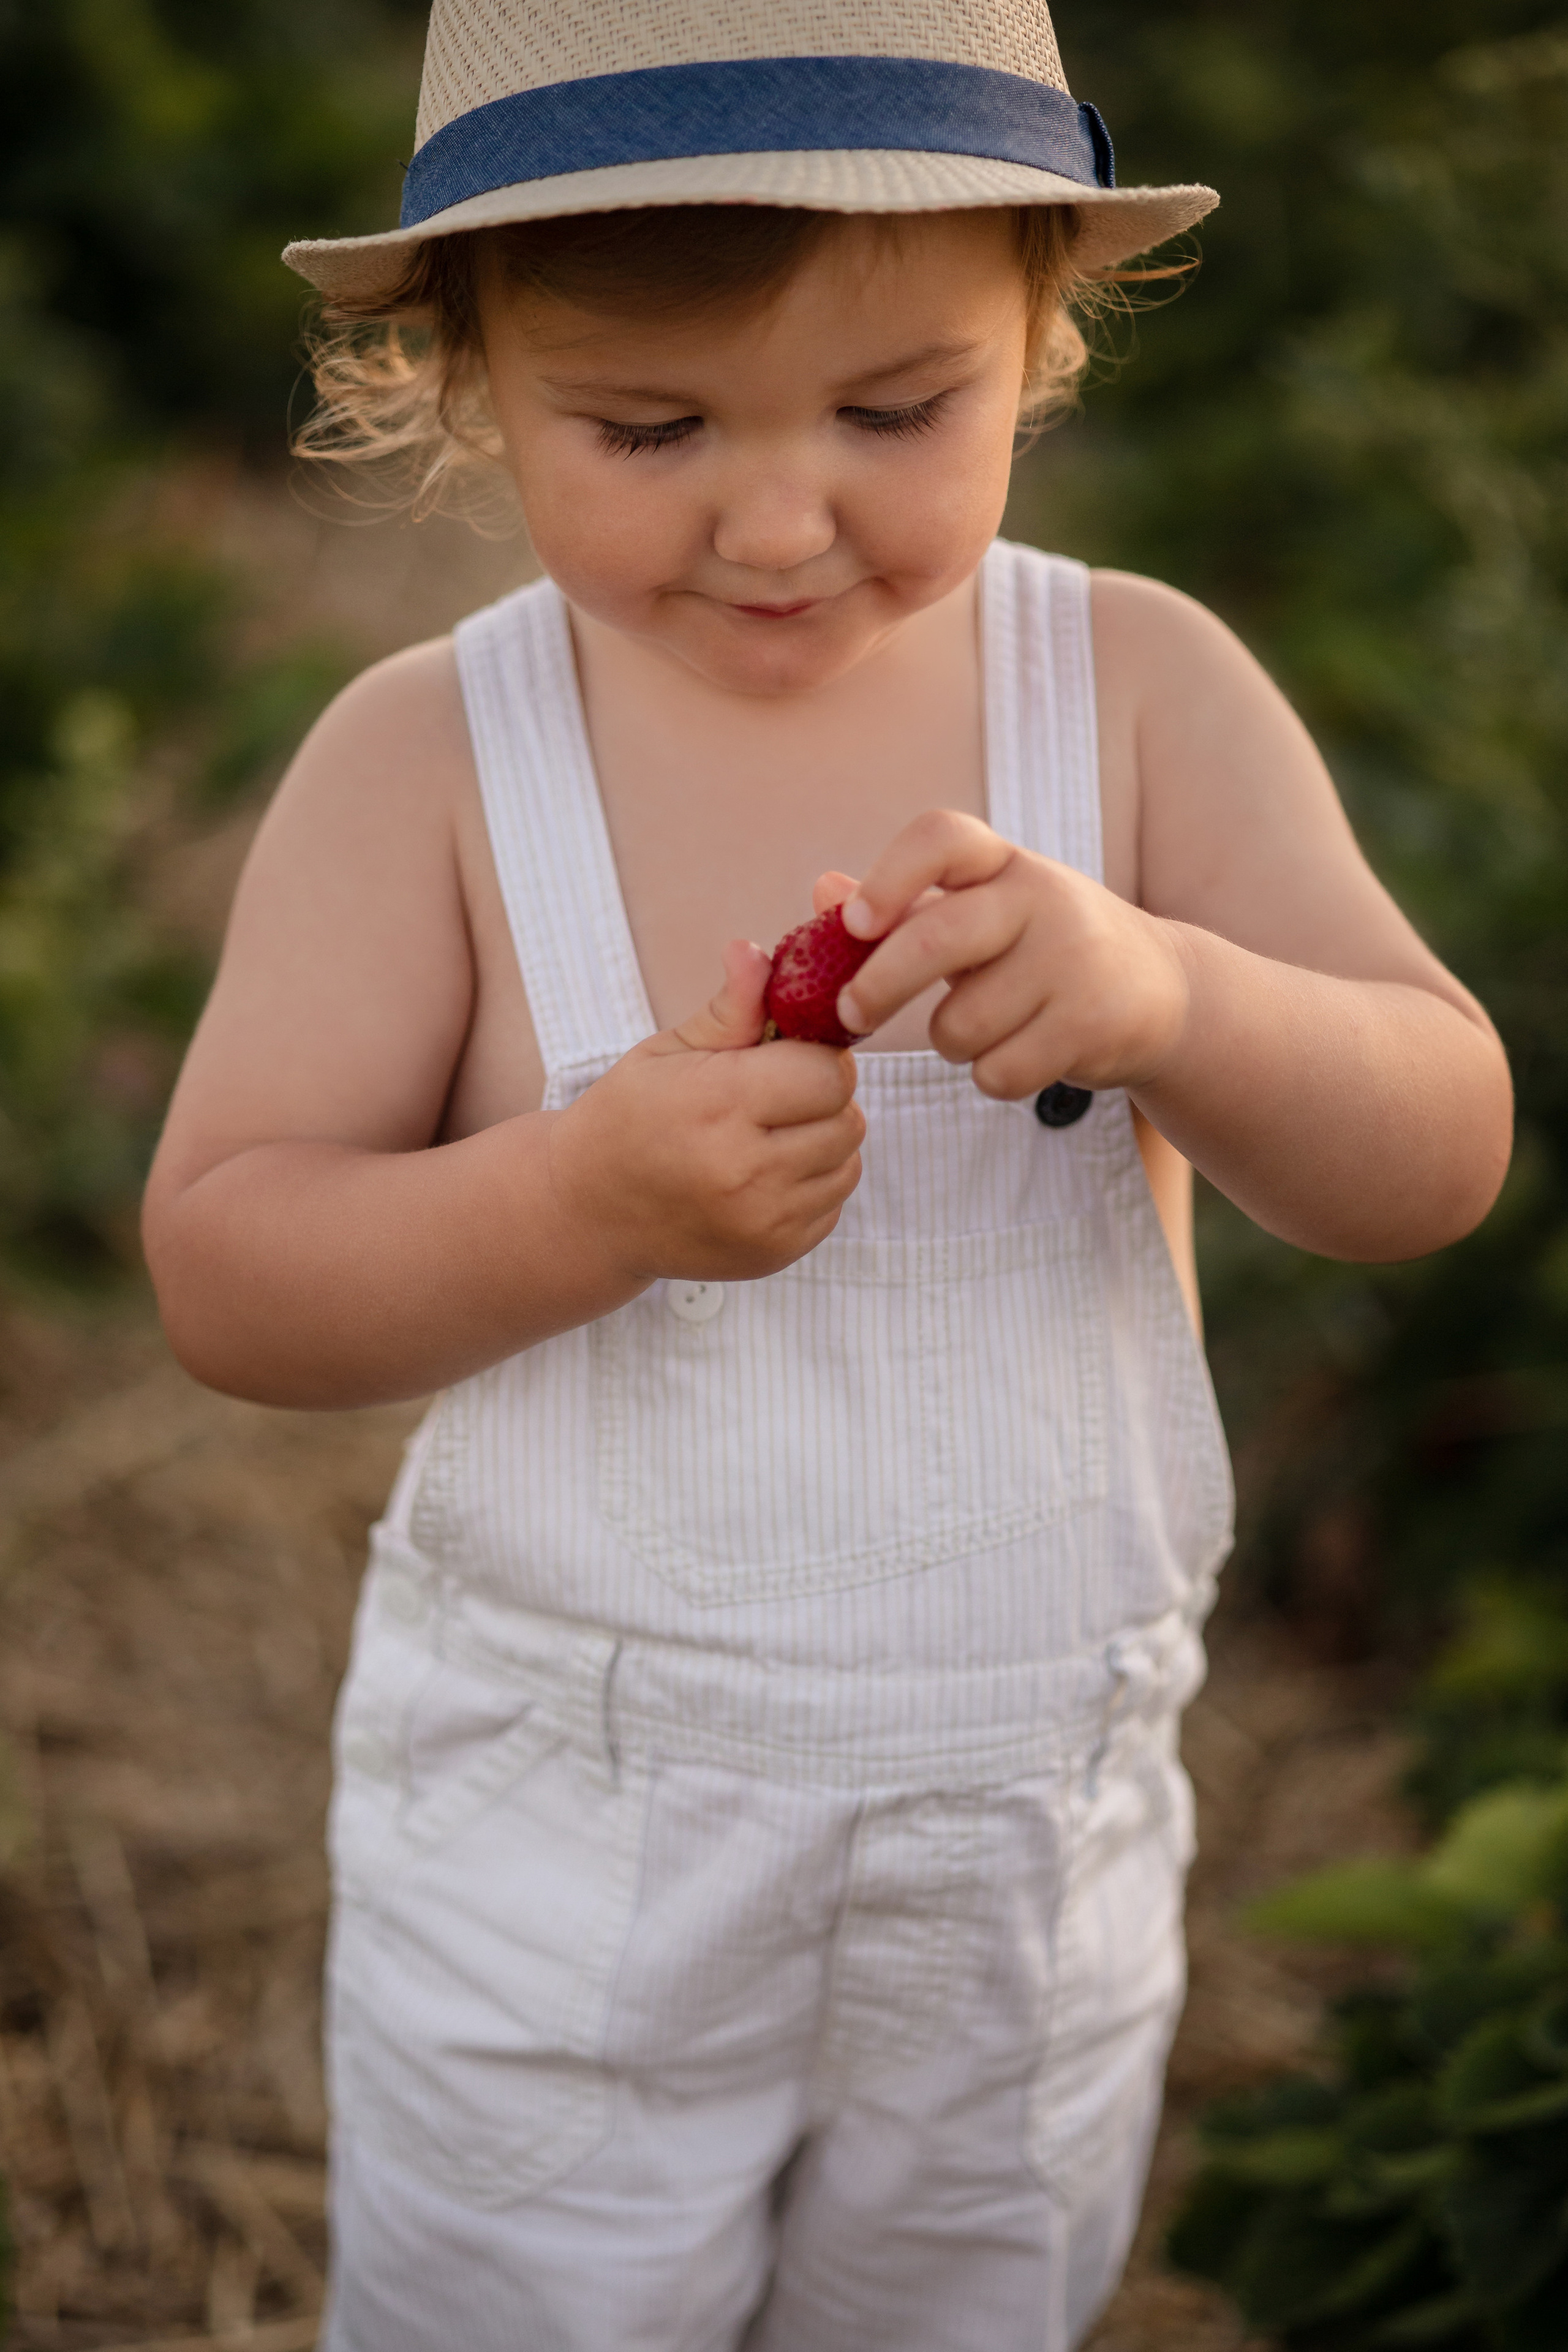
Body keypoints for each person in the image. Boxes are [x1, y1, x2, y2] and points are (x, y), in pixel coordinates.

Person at [141, 2, 1513, 2346]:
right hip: (571, 1869)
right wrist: (576, 1201)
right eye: (646, 430)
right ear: (470, 382)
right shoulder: (434, 764)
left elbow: (1437, 1144)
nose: (780, 520)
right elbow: (231, 1270)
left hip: (1013, 1868)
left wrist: (1187, 999)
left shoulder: (1142, 697)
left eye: (899, 412)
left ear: (1039, 334)